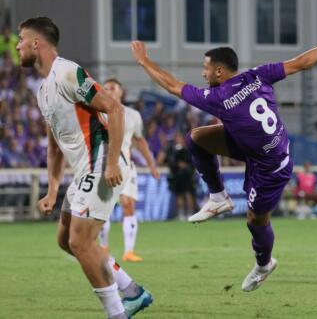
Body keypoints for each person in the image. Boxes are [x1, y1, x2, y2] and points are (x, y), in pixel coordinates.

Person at [131, 18, 317, 292]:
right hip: (254, 147)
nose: (203, 73)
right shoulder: (258, 74)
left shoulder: (216, 97)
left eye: (205, 69)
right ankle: (218, 197)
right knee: (195, 138)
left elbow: (173, 86)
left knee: (256, 221)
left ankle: (264, 264)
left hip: (272, 167)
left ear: (220, 72)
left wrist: (144, 62)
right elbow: (301, 62)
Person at [17, 17, 153, 318]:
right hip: (84, 169)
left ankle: (116, 313)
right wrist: (53, 190)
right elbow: (54, 147)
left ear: (36, 43)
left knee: (81, 240)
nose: (17, 46)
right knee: (66, 240)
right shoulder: (43, 90)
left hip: (102, 160)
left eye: (21, 40)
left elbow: (114, 108)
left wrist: (112, 161)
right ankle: (132, 291)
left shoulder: (68, 72)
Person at [99, 78, 160, 262]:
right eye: (106, 88)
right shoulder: (97, 113)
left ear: (121, 91)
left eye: (112, 88)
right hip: (102, 165)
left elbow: (139, 141)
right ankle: (103, 247)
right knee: (102, 209)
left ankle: (129, 251)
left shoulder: (132, 115)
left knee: (128, 204)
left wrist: (151, 165)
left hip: (125, 166)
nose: (109, 91)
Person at [157, 131, 196, 220]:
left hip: (187, 175)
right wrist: (176, 164)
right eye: (176, 138)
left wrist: (186, 167)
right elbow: (168, 162)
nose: (177, 139)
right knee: (179, 195)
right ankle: (181, 214)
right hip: (177, 175)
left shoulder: (188, 149)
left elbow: (192, 163)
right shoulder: (172, 150)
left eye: (179, 137)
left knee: (188, 193)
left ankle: (190, 214)